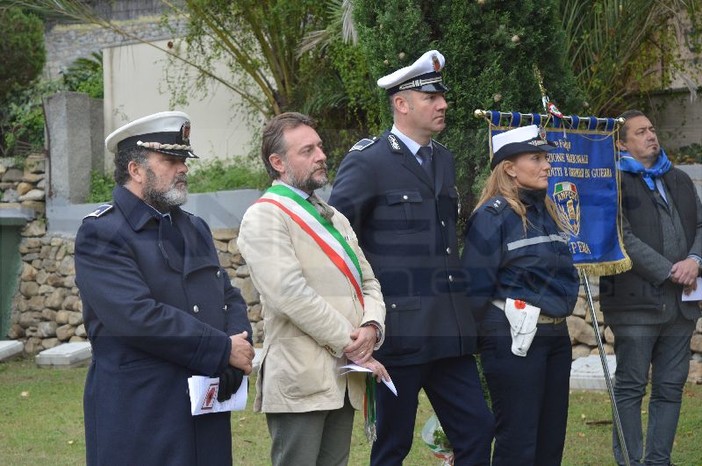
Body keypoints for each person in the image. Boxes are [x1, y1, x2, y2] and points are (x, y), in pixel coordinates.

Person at [328, 50, 494, 465]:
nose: (442, 105)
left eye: (442, 97)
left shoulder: (444, 158)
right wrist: (363, 316)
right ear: (401, 104)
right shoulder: (368, 162)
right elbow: (339, 241)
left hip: (448, 331)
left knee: (477, 430)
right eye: (430, 98)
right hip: (398, 332)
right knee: (392, 446)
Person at [74, 111, 255, 466]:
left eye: (183, 160)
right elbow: (136, 316)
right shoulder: (102, 233)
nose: (182, 168)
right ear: (136, 170)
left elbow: (226, 295)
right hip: (141, 412)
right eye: (170, 160)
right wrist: (221, 349)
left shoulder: (194, 227)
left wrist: (239, 344)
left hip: (205, 406)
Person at [237, 112, 389, 466]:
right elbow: (290, 293)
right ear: (278, 162)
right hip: (301, 378)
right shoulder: (264, 216)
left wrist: (372, 327)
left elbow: (368, 282)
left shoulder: (335, 216)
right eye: (307, 150)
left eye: (319, 146)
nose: (321, 154)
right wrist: (352, 344)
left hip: (343, 374)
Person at [461, 125, 580, 466]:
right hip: (514, 337)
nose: (547, 165)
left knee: (550, 438)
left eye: (547, 157)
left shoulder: (547, 211)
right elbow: (474, 289)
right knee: (519, 440)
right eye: (536, 158)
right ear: (510, 167)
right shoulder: (492, 216)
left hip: (556, 334)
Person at [600, 109, 702, 466]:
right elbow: (620, 236)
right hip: (635, 306)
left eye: (652, 129)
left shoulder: (677, 178)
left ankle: (658, 461)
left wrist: (695, 261)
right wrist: (671, 271)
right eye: (640, 132)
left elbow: (701, 226)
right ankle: (630, 461)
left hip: (681, 307)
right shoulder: (611, 182)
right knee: (630, 388)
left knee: (670, 388)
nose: (651, 135)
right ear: (621, 143)